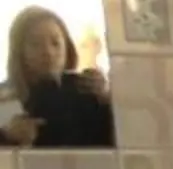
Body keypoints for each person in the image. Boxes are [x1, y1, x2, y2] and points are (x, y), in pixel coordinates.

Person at [2, 8, 114, 150]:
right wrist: (7, 137)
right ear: (19, 51)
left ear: (67, 48)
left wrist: (107, 101)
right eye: (35, 44)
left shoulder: (85, 91)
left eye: (55, 43)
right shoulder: (4, 98)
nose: (48, 52)